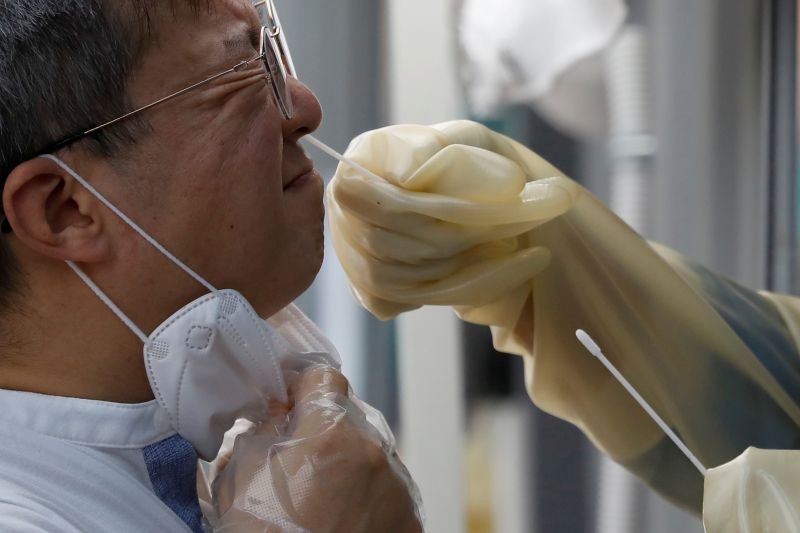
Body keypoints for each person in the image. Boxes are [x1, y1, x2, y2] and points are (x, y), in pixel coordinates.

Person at [0, 1, 421, 531]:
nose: (305, 108)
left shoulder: (179, 464)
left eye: (272, 49)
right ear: (66, 209)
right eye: (242, 69)